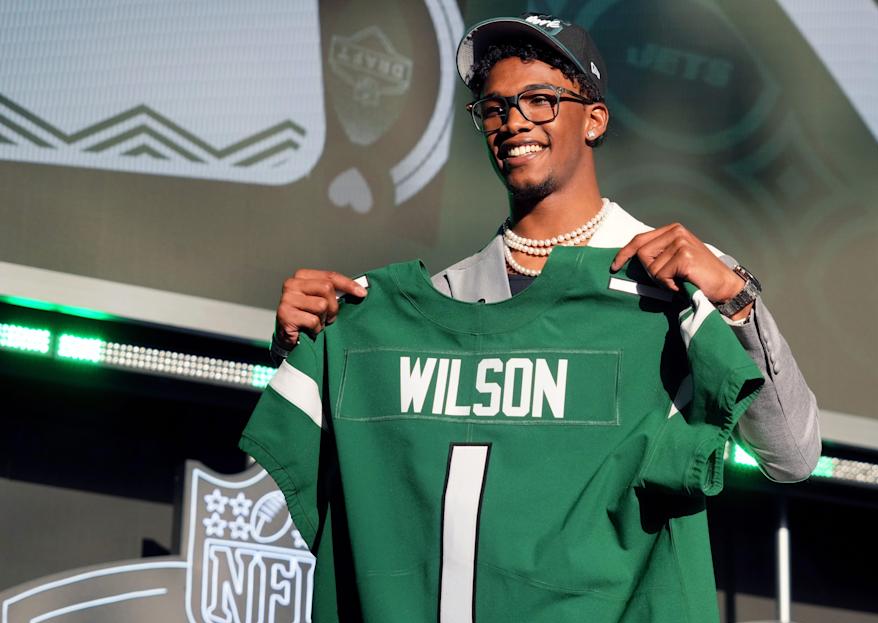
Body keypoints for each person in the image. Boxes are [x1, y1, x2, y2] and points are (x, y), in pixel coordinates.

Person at [271, 13, 821, 484]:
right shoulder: (446, 298)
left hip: (612, 606)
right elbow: (378, 476)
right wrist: (304, 351)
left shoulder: (681, 279)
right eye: (494, 107)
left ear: (595, 120)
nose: (512, 122)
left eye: (540, 101)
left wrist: (736, 302)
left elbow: (792, 458)